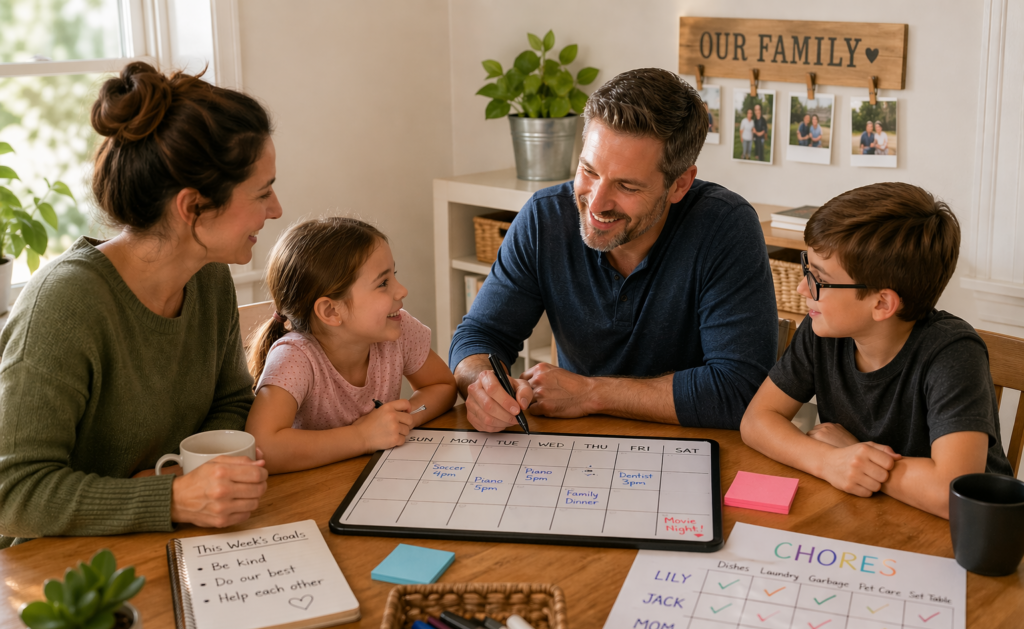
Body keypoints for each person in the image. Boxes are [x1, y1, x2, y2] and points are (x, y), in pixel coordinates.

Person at [0, 62, 279, 548]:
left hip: (175, 543)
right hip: (62, 572)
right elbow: (14, 494)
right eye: (261, 192)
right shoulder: (64, 304)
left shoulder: (208, 275)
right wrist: (171, 496)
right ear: (192, 207)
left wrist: (204, 480)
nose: (275, 209)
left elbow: (231, 400)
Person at [450, 68, 777, 433]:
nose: (597, 202)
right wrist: (480, 384)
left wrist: (591, 393)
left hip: (695, 445)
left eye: (627, 186)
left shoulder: (726, 228)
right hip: (575, 444)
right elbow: (479, 335)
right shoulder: (545, 218)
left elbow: (739, 390)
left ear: (679, 184)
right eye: (589, 170)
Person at [740, 183, 1011, 519]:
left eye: (817, 279)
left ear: (882, 303)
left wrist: (852, 453)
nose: (800, 287)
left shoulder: (954, 354)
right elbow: (756, 421)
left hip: (965, 537)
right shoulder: (822, 329)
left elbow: (951, 493)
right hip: (873, 513)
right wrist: (830, 462)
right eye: (805, 269)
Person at [244, 218, 457, 473]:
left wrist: (403, 419)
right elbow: (263, 447)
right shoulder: (295, 357)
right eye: (383, 283)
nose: (402, 291)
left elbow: (442, 385)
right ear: (331, 310)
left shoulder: (397, 330)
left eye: (394, 276)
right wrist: (363, 437)